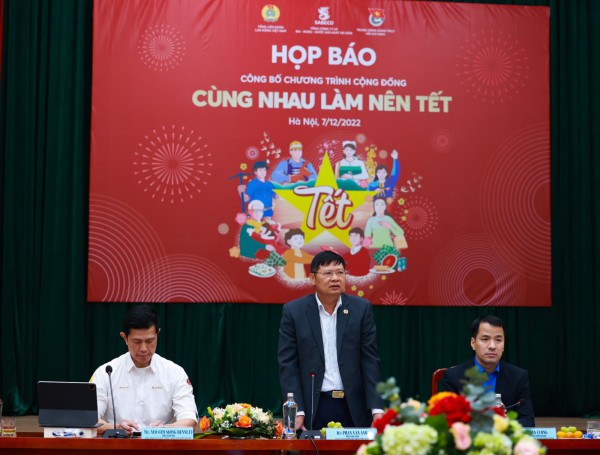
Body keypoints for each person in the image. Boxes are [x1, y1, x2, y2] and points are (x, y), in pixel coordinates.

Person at [278, 251, 383, 431]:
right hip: (314, 407)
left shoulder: (361, 309)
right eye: (328, 273)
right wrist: (297, 410)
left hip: (353, 406)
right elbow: (288, 364)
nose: (335, 278)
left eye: (340, 272)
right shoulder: (294, 311)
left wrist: (377, 409)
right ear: (312, 278)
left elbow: (370, 361)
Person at [90, 305, 198, 436]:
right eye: (137, 341)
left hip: (160, 445)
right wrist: (116, 428)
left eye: (150, 341)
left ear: (158, 334)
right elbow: (89, 419)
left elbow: (189, 420)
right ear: (125, 338)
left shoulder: (174, 373)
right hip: (117, 444)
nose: (143, 348)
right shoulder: (106, 373)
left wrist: (163, 430)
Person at [438, 315, 535, 427]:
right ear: (473, 343)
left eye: (498, 340)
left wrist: (506, 424)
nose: (492, 346)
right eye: (485, 339)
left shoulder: (519, 376)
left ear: (504, 345)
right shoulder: (453, 377)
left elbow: (528, 421)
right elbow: (446, 420)